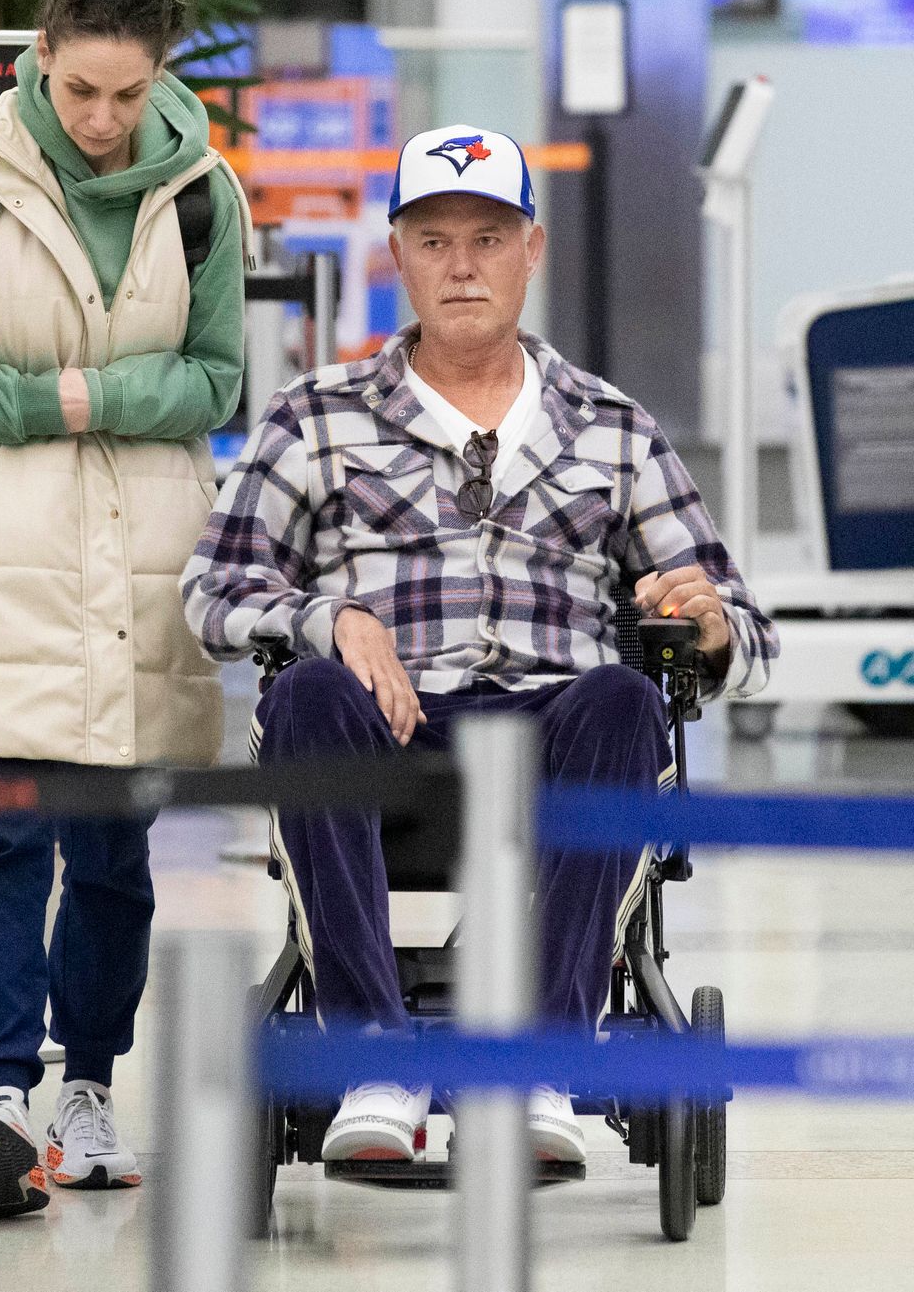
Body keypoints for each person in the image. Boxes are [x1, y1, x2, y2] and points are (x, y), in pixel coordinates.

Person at [182, 124, 778, 1169]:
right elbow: (214, 588)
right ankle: (373, 1060)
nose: (464, 266)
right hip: (385, 735)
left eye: (490, 239)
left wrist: (717, 625)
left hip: (558, 740)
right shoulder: (315, 418)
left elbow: (748, 626)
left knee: (628, 700)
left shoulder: (612, 428)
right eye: (436, 240)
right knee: (311, 692)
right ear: (397, 255)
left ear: (531, 252)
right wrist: (331, 618)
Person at [0, 0, 251, 1220]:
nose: (101, 120)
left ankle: (88, 1088)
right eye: (81, 89)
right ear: (42, 54)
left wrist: (51, 391)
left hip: (143, 566)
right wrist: (101, 395)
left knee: (108, 857)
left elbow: (215, 380)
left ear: (159, 75)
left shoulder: (205, 197)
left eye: (125, 93)